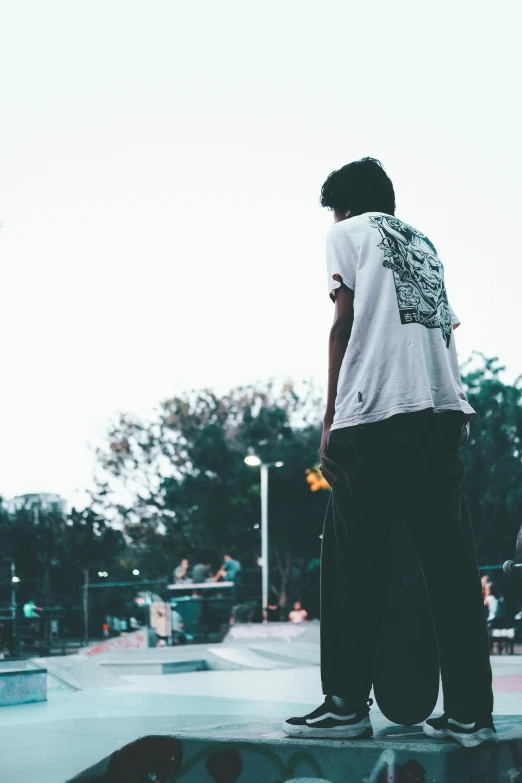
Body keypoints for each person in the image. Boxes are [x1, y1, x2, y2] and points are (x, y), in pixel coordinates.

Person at [283, 157, 495, 747]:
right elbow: (443, 330)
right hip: (440, 416)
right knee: (452, 572)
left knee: (355, 564)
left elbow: (343, 322)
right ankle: (471, 713)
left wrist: (330, 419)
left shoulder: (346, 233)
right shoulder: (423, 245)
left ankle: (346, 706)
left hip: (374, 417)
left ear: (344, 206)